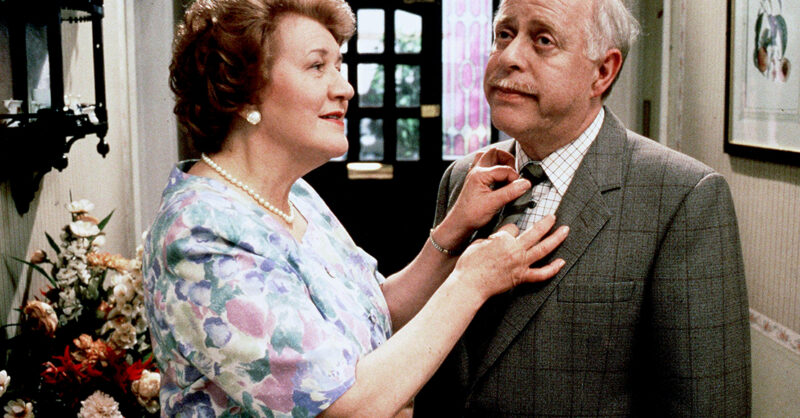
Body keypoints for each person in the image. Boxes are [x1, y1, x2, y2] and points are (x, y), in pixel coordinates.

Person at [142, 0, 570, 416]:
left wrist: (454, 231)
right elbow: (344, 408)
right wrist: (471, 282)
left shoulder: (294, 195)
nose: (345, 88)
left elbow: (376, 314)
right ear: (244, 90)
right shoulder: (198, 233)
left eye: (339, 65)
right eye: (317, 66)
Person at [415, 0, 752, 416]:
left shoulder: (684, 197)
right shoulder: (462, 177)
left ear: (603, 72)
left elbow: (707, 403)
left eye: (543, 40)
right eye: (504, 34)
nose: (509, 56)